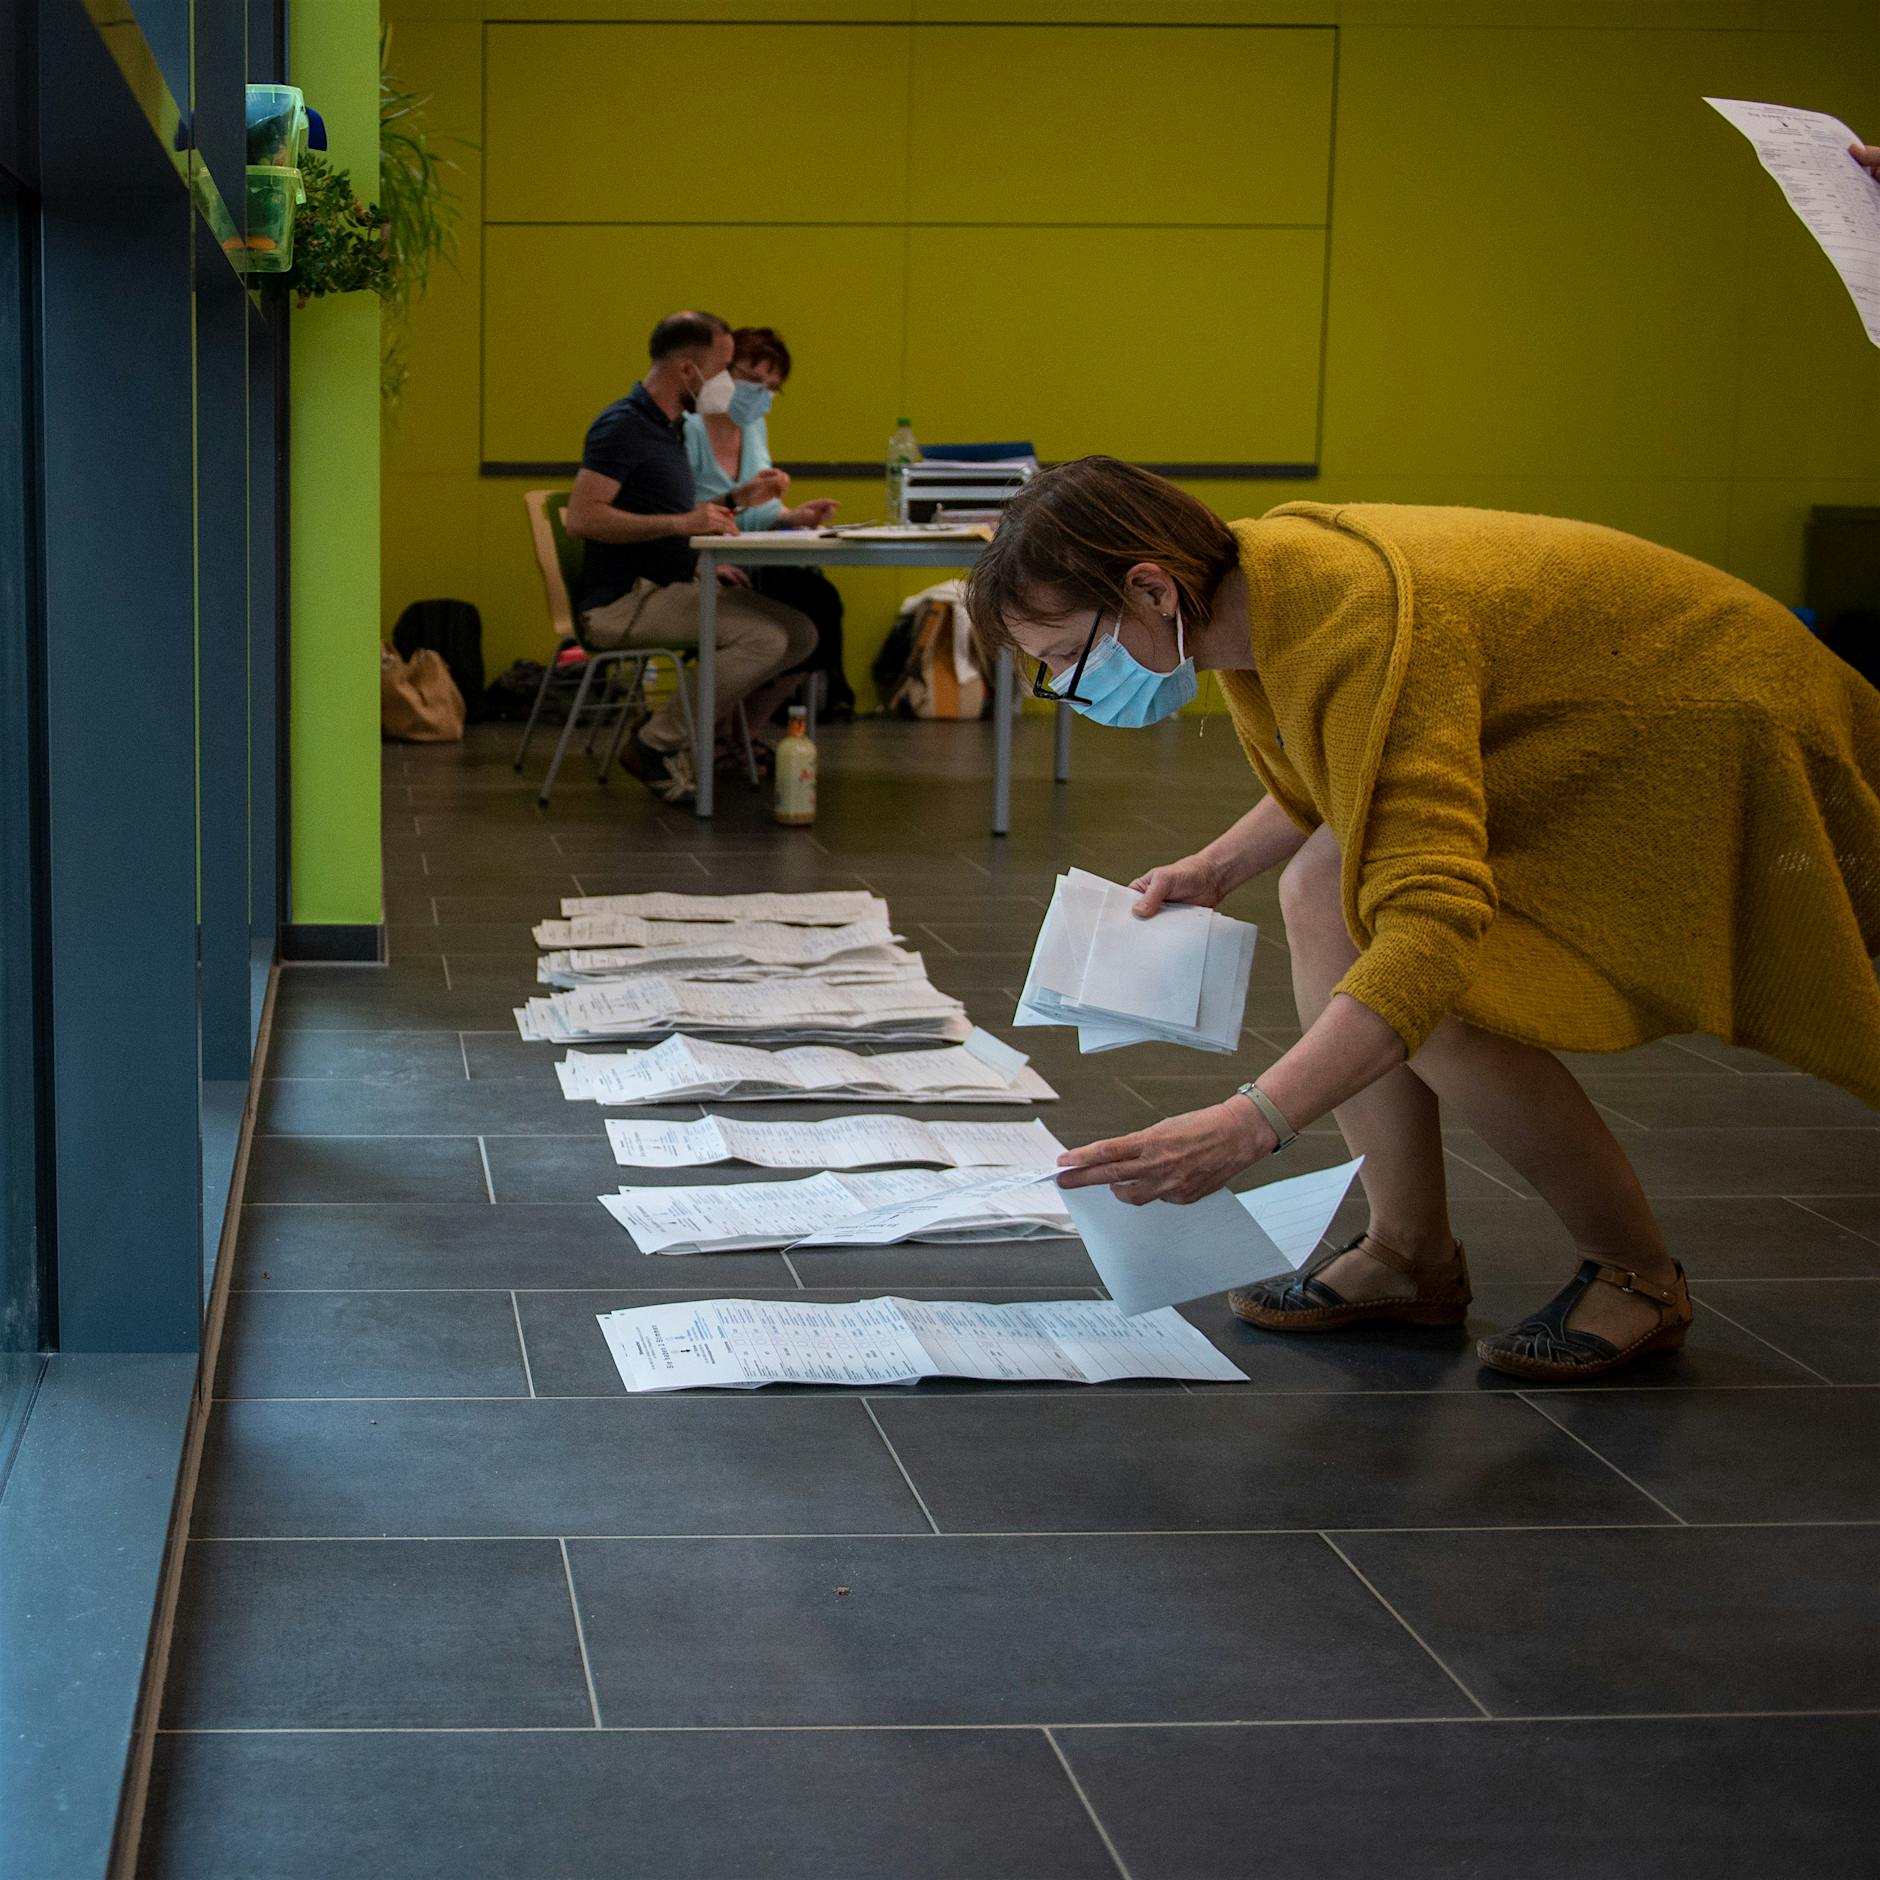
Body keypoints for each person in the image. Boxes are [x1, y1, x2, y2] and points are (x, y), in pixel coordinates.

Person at [966, 458, 1880, 1382]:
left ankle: (1637, 1274)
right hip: (1629, 695)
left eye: (1064, 659)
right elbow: (1353, 762)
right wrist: (1217, 865)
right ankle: (1410, 1254)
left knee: (1432, 988)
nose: (1066, 689)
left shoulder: (1348, 618)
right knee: (1321, 891)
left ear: (1151, 588)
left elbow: (1432, 928)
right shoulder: (1247, 598)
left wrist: (1254, 1123)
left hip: (1710, 718)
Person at [564, 311, 818, 804]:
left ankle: (664, 728)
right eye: (723, 369)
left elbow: (676, 513)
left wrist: (736, 502)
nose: (726, 383)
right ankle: (655, 743)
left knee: (802, 633)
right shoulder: (623, 427)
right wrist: (681, 524)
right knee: (764, 640)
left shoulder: (669, 428)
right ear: (687, 370)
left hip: (669, 585)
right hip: (623, 600)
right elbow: (582, 518)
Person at [683, 325, 857, 722]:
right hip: (702, 563)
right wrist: (696, 561)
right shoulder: (688, 428)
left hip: (751, 559)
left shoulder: (753, 427)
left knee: (822, 605)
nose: (760, 394)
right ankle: (722, 729)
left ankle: (749, 727)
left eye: (771, 387)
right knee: (798, 611)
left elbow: (758, 511)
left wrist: (792, 516)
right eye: (753, 380)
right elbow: (675, 513)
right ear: (724, 371)